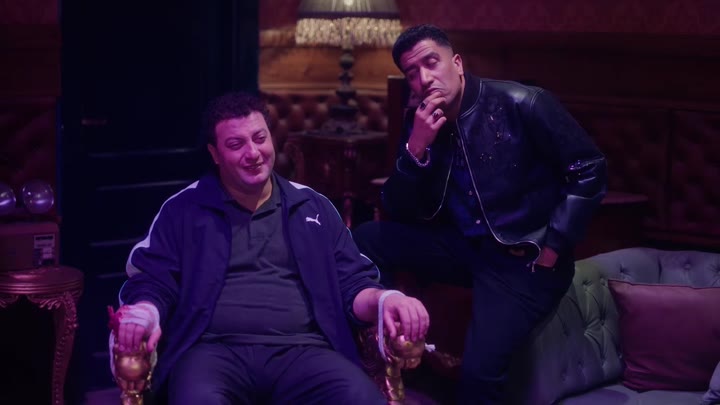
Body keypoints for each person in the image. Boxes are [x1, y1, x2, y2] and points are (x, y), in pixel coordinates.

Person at [111, 91, 429, 404]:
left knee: (360, 397)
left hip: (305, 350)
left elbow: (353, 283)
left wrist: (387, 299)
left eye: (259, 138)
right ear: (215, 154)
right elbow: (153, 279)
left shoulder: (312, 206)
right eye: (236, 144)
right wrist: (146, 312)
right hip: (212, 353)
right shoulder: (183, 210)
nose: (253, 153)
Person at [353, 24, 607, 404]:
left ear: (457, 63)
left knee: (478, 377)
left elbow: (589, 167)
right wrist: (415, 150)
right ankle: (389, 341)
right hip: (463, 247)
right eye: (412, 73)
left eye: (431, 63)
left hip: (521, 259)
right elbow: (396, 206)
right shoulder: (421, 121)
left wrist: (553, 246)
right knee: (367, 237)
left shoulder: (523, 103)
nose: (424, 79)